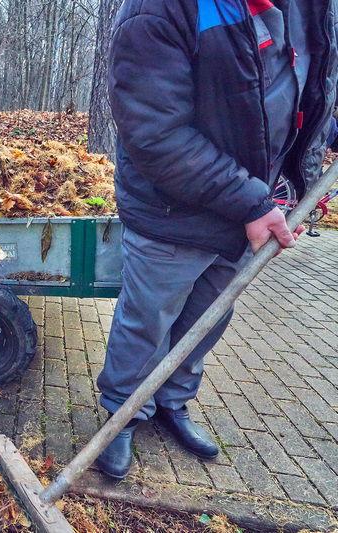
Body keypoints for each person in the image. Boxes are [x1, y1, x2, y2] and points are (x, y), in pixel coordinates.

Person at [96, 0, 336, 479]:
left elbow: (304, 83)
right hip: (174, 207)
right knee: (149, 319)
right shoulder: (159, 12)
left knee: (210, 316)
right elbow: (154, 132)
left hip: (253, 203)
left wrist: (323, 137)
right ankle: (123, 413)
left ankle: (171, 401)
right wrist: (250, 202)